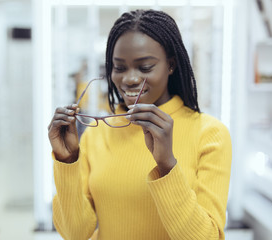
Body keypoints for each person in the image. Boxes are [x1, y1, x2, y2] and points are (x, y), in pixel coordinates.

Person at [48, 9, 232, 240]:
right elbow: (75, 233)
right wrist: (67, 161)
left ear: (171, 65)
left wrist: (167, 166)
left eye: (145, 68)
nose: (130, 79)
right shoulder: (98, 135)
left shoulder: (210, 134)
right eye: (119, 68)